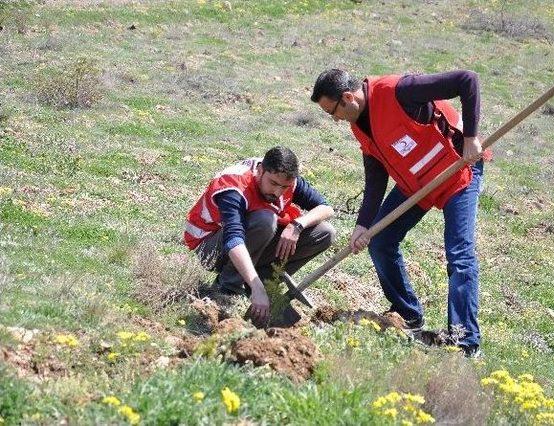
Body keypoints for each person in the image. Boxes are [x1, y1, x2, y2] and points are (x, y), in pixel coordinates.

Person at [311, 69, 489, 357]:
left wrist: (471, 137)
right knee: (380, 241)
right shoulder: (359, 124)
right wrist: (363, 224)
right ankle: (408, 316)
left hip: (458, 168)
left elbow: (466, 80)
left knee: (459, 254)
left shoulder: (399, 91)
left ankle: (465, 342)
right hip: (418, 181)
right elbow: (376, 175)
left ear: (347, 97)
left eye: (333, 111)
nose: (334, 119)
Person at [184, 146, 336, 324]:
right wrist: (256, 287)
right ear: (260, 170)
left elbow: (326, 208)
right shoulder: (234, 185)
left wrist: (297, 225)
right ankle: (228, 288)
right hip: (210, 246)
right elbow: (234, 239)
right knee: (265, 220)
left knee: (325, 233)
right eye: (273, 184)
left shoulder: (287, 180)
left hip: (251, 240)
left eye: (284, 187)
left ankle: (263, 282)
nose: (278, 192)